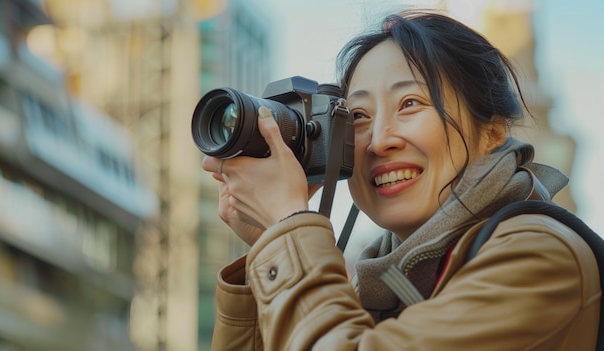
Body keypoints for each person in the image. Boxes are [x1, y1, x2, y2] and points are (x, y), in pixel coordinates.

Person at [200, 10, 600, 351]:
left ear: (492, 132)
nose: (378, 140)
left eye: (410, 104)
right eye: (358, 116)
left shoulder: (538, 256)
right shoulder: (378, 281)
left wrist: (290, 226)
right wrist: (266, 247)